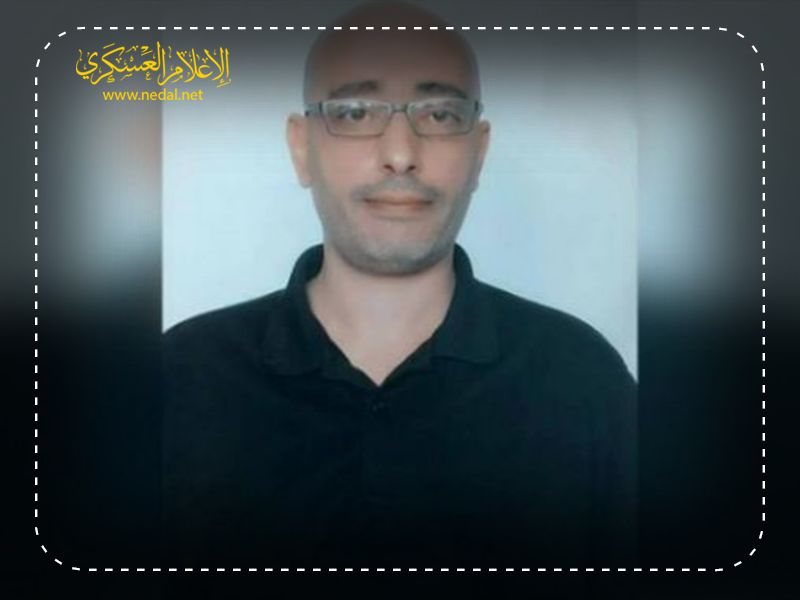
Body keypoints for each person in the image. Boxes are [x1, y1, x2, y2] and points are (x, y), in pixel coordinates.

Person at [161, 0, 637, 568]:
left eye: (439, 114)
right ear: (301, 147)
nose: (400, 154)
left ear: (479, 152)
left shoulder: (582, 382)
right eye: (356, 111)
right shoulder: (178, 379)